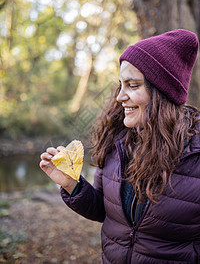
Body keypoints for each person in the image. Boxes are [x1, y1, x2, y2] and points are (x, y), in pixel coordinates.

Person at [40, 29, 200, 264]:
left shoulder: (194, 155)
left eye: (133, 86)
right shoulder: (117, 142)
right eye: (121, 85)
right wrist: (72, 184)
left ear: (163, 94)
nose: (119, 97)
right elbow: (104, 212)